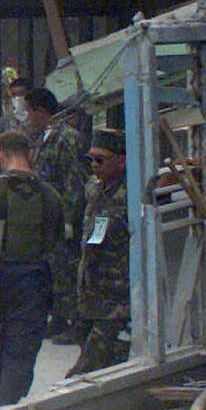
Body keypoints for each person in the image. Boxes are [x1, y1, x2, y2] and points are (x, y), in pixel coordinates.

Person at [0, 130, 64, 405]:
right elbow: (56, 243)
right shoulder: (51, 194)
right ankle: (7, 408)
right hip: (36, 280)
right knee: (21, 353)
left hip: (0, 279)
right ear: (30, 154)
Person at [23, 88, 89, 341]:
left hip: (63, 216)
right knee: (53, 270)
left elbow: (75, 180)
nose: (28, 117)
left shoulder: (67, 138)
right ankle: (59, 316)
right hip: (48, 216)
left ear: (41, 111)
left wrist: (70, 219)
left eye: (29, 111)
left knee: (68, 269)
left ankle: (75, 321)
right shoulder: (43, 138)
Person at [69, 129, 131, 375]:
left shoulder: (131, 193)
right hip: (89, 291)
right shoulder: (94, 188)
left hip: (116, 297)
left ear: (121, 160)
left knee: (86, 370)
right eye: (91, 159)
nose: (94, 165)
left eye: (100, 159)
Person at [0, 74, 33, 147]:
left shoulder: (36, 117)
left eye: (21, 94)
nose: (17, 98)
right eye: (14, 95)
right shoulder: (7, 119)